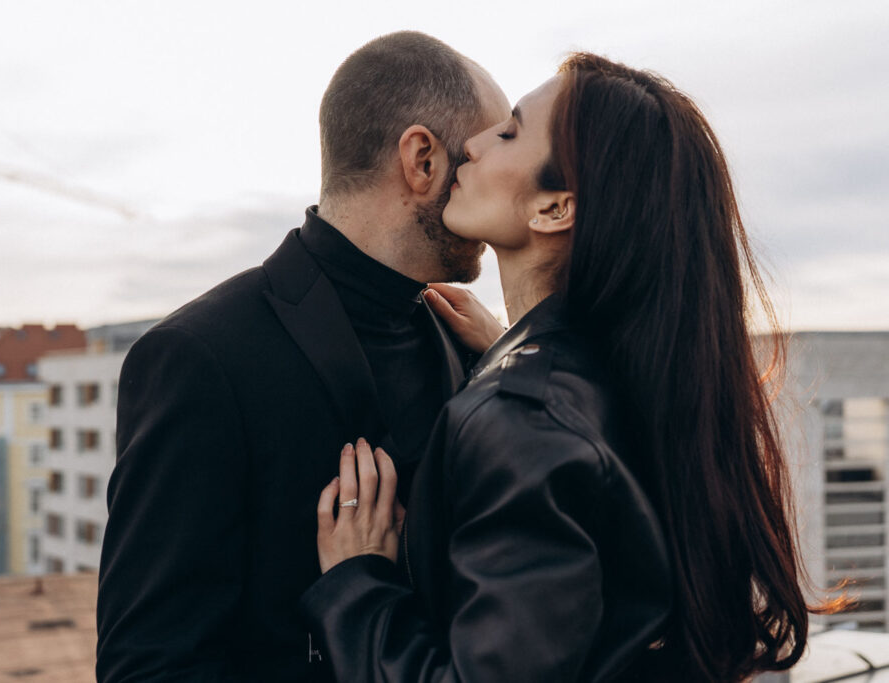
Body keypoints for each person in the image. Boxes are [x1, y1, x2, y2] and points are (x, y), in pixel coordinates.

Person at [300, 53, 830, 682]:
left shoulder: (524, 419)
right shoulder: (631, 377)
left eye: (510, 131)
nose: (470, 144)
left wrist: (360, 587)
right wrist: (511, 353)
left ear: (555, 209)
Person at [95, 32, 510, 682]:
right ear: (422, 159)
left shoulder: (470, 347)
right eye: (485, 153)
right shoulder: (199, 356)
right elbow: (148, 664)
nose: (501, 185)